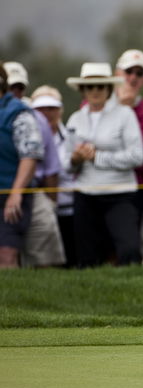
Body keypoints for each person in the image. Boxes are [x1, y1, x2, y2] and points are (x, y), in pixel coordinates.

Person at [64, 62, 143, 267]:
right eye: (90, 87)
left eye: (100, 86)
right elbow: (66, 163)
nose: (95, 91)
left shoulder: (125, 115)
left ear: (109, 88)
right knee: (87, 258)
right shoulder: (74, 119)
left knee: (129, 251)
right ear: (83, 90)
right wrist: (76, 159)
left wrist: (97, 157)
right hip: (85, 194)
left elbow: (137, 156)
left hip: (120, 193)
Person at [3, 62, 66, 267]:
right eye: (13, 87)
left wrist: (18, 192)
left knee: (28, 256)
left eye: (19, 88)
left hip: (22, 194)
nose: (15, 92)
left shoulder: (22, 114)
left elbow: (40, 162)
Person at [114, 49, 143, 264]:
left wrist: (125, 110)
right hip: (96, 185)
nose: (132, 77)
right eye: (128, 71)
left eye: (138, 73)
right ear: (117, 72)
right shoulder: (97, 102)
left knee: (129, 248)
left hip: (134, 188)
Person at [0, 62, 44, 268]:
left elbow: (30, 156)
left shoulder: (19, 113)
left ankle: (9, 299)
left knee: (6, 254)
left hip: (10, 196)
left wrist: (16, 193)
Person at [30, 85, 77, 267]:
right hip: (39, 210)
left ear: (61, 110)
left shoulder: (72, 136)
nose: (46, 113)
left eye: (52, 108)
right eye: (40, 109)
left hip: (72, 211)